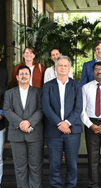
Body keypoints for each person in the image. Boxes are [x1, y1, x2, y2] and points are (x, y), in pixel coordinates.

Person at [42, 55, 83, 188]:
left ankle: (71, 186)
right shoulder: (48, 86)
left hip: (73, 131)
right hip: (54, 131)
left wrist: (68, 123)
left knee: (72, 164)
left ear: (69, 68)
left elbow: (79, 108)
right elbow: (46, 107)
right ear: (55, 68)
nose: (63, 68)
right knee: (54, 164)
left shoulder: (76, 85)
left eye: (66, 66)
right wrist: (60, 124)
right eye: (60, 65)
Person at [4, 65, 44, 188]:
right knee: (20, 167)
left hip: (35, 134)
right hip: (16, 135)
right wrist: (21, 123)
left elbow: (41, 109)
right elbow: (7, 110)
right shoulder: (9, 93)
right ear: (17, 77)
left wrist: (29, 122)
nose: (24, 76)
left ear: (30, 76)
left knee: (35, 166)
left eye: (26, 74)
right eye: (21, 74)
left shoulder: (38, 92)